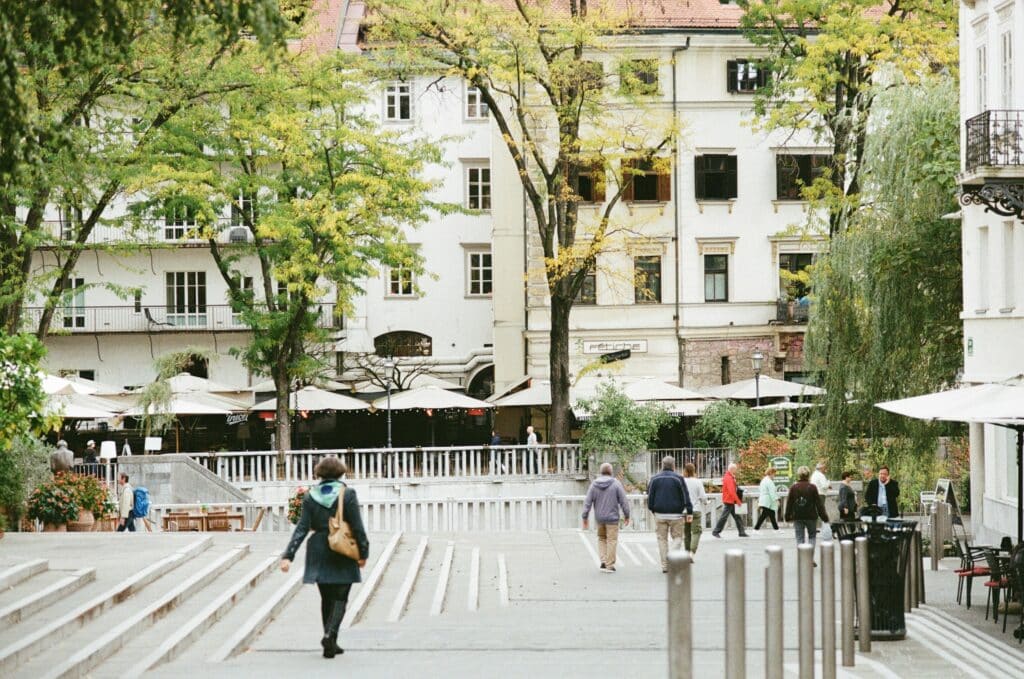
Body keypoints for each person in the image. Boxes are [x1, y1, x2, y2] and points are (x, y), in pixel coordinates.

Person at [281, 457, 369, 659]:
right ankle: (331, 635)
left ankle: (330, 642)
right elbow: (357, 526)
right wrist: (363, 552)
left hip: (318, 548)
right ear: (341, 473)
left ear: (319, 473)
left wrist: (289, 555)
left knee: (326, 597)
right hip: (342, 547)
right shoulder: (347, 494)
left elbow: (302, 528)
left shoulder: (311, 496)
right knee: (341, 596)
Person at [582, 462, 630, 573]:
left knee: (602, 539)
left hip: (600, 518)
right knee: (611, 540)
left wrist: (585, 517)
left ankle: (603, 561)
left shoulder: (594, 484)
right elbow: (624, 501)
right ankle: (609, 565)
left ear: (601, 472)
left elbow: (587, 502)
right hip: (612, 519)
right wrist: (627, 515)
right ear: (611, 472)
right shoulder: (616, 484)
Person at [647, 456, 693, 573]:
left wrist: (652, 509)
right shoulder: (678, 479)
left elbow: (650, 496)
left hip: (660, 514)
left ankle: (665, 566)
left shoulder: (654, 479)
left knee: (662, 540)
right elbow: (685, 495)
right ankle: (672, 555)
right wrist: (689, 510)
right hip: (676, 515)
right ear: (673, 466)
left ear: (662, 465)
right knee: (677, 538)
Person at [784, 466, 829, 549]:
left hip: (798, 516)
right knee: (812, 536)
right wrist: (824, 517)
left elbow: (789, 503)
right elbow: (819, 504)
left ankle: (802, 558)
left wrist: (787, 516)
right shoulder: (812, 487)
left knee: (799, 538)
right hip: (811, 516)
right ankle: (810, 557)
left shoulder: (794, 487)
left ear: (799, 475)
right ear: (808, 475)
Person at [712, 463, 749, 538]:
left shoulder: (729, 477)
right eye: (735, 469)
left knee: (736, 516)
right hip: (729, 500)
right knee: (724, 517)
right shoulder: (729, 478)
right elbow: (732, 491)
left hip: (730, 500)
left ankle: (741, 532)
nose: (736, 470)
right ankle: (716, 531)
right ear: (732, 469)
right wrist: (738, 501)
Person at [681, 463, 708, 557]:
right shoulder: (698, 482)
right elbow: (703, 496)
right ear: (694, 471)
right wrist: (705, 502)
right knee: (696, 531)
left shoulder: (681, 482)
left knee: (687, 532)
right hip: (695, 510)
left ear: (685, 471)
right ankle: (692, 552)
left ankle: (686, 552)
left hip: (684, 511)